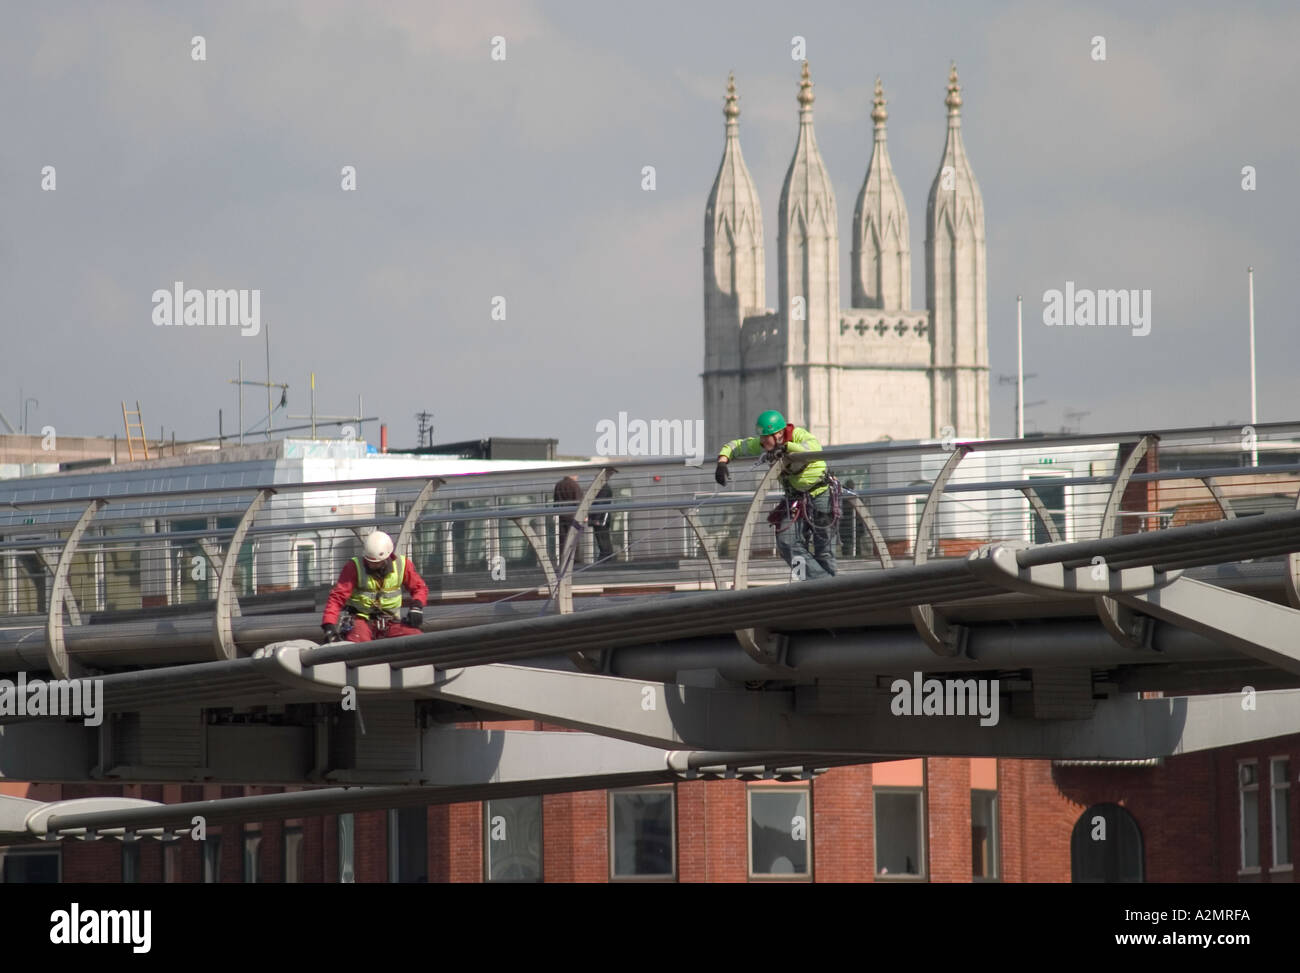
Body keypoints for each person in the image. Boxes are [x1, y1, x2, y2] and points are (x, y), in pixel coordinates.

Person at [714, 409, 838, 579]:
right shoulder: (763, 444)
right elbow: (735, 446)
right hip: (794, 499)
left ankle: (825, 589)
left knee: (824, 550)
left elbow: (814, 449)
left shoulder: (799, 435)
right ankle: (820, 584)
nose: (763, 442)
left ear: (780, 434)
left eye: (767, 437)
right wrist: (722, 462)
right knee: (786, 543)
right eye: (762, 438)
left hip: (821, 494)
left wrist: (786, 447)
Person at [320, 530, 428, 643]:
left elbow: (419, 588)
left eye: (376, 562)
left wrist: (416, 607)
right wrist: (329, 625)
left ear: (388, 557)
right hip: (360, 620)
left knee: (417, 640)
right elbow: (337, 597)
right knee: (359, 645)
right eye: (369, 561)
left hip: (390, 621)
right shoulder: (354, 567)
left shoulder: (402, 565)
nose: (371, 565)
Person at [553, 473, 583, 566]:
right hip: (573, 516)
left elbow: (556, 501)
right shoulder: (574, 485)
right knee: (573, 538)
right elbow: (579, 501)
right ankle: (574, 560)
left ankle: (564, 559)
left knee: (563, 539)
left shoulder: (558, 485)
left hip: (561, 515)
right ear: (573, 475)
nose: (578, 477)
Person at [591, 477, 615, 561]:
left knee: (602, 537)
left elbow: (599, 503)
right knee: (603, 536)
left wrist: (596, 519)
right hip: (602, 516)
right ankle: (607, 556)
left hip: (601, 517)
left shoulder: (603, 488)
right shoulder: (604, 487)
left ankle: (605, 556)